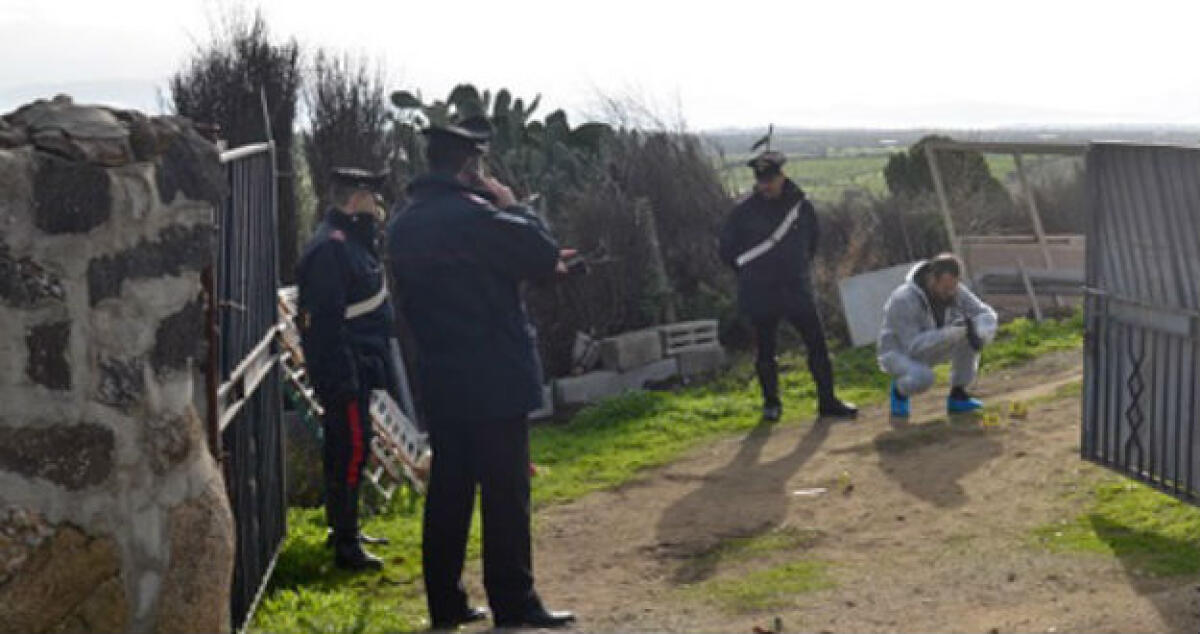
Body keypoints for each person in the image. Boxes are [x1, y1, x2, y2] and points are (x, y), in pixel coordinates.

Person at [386, 117, 576, 630]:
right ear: (471, 166)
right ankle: (514, 602)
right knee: (505, 491)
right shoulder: (480, 216)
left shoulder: (403, 223)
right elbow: (537, 253)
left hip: (440, 374)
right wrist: (514, 205)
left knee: (449, 490)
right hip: (494, 372)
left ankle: (445, 604)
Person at [296, 167, 395, 571]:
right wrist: (342, 376)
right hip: (345, 368)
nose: (378, 205)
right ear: (356, 199)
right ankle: (346, 545)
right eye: (372, 196)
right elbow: (325, 321)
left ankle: (345, 528)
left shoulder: (351, 243)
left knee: (349, 449)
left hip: (359, 364)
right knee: (350, 450)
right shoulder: (332, 248)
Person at [719, 150, 858, 422]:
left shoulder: (801, 207)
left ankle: (827, 401)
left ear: (782, 176)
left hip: (795, 287)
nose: (766, 185)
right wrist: (752, 274)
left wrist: (796, 269)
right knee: (766, 351)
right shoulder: (742, 212)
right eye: (761, 180)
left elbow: (812, 243)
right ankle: (771, 404)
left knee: (817, 345)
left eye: (770, 179)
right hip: (761, 290)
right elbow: (727, 251)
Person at [877, 253, 999, 417]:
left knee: (968, 334)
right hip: (898, 353)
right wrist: (951, 333)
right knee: (924, 378)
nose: (951, 293)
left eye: (954, 287)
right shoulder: (903, 299)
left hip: (934, 344)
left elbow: (984, 313)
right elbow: (913, 347)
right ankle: (899, 391)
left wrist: (981, 330)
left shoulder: (954, 289)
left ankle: (958, 396)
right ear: (932, 279)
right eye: (946, 289)